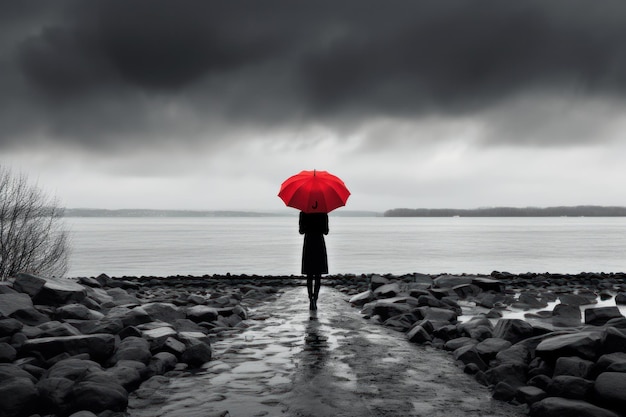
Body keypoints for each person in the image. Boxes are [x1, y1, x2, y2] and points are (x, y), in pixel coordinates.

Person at [299, 211, 329, 311]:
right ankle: (315, 299)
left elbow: (301, 231)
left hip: (308, 243)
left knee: (309, 275)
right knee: (318, 275)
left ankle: (310, 299)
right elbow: (326, 231)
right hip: (319, 243)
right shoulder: (323, 213)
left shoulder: (304, 212)